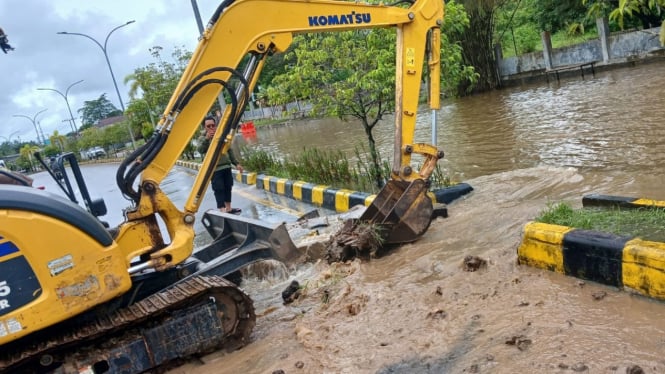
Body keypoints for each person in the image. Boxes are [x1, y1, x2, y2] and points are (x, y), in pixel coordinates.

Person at [197, 115, 243, 214]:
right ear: (204, 127)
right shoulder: (202, 138)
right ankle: (222, 210)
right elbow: (200, 150)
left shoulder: (221, 135)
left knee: (228, 186)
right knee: (219, 189)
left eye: (213, 125)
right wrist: (207, 139)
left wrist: (236, 163)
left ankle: (229, 209)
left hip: (226, 166)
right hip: (214, 169)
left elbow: (229, 149)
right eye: (208, 126)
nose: (211, 128)